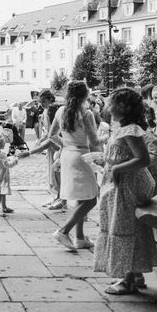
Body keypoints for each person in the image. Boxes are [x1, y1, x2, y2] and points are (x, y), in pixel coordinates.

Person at [94, 88, 157, 294]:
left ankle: (128, 279)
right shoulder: (123, 128)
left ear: (122, 107)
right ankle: (134, 274)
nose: (107, 107)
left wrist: (117, 168)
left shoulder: (131, 129)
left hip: (128, 186)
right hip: (121, 184)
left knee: (125, 228)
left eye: (111, 103)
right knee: (128, 227)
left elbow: (143, 159)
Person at [47, 81, 100, 251]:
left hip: (67, 154)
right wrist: (105, 142)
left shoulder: (60, 111)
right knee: (92, 197)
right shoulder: (86, 113)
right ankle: (64, 231)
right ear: (85, 95)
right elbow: (94, 141)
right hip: (81, 155)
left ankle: (80, 237)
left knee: (81, 196)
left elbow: (51, 136)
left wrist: (66, 144)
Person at [0, 133, 18, 216]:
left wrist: (10, 158)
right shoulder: (1, 155)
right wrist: (16, 159)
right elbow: (7, 164)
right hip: (1, 176)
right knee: (0, 193)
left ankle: (4, 207)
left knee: (3, 191)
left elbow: (4, 161)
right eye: (3, 142)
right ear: (0, 144)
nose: (5, 143)